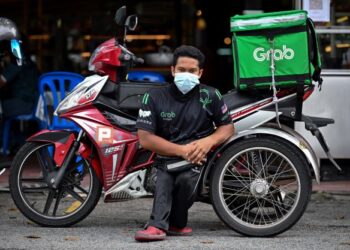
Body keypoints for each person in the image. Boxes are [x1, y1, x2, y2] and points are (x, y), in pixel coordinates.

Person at [134, 45, 235, 242]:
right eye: (181, 70)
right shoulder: (153, 96)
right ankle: (159, 226)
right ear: (172, 70)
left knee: (184, 179)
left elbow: (228, 127)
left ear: (200, 73)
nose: (186, 75)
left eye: (192, 71)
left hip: (198, 161)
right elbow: (145, 138)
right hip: (164, 159)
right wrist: (182, 150)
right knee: (166, 174)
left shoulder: (211, 95)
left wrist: (208, 141)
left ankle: (174, 224)